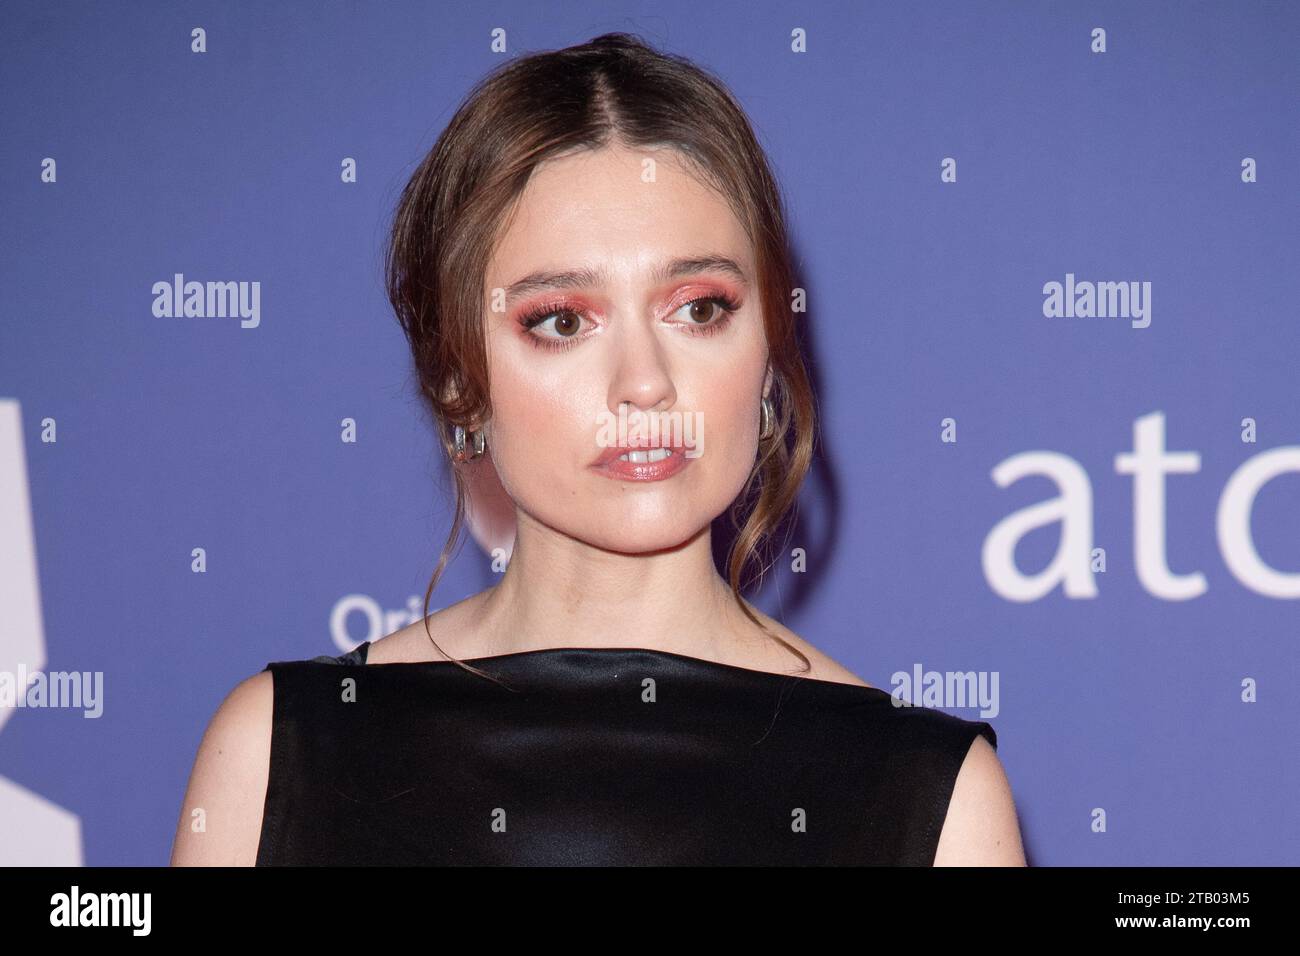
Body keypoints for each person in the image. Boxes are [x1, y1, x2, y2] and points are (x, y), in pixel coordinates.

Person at [171, 32, 1026, 866]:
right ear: (459, 379)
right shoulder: (281, 753)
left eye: (699, 309)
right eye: (562, 320)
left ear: (768, 348)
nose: (645, 383)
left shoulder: (925, 796)